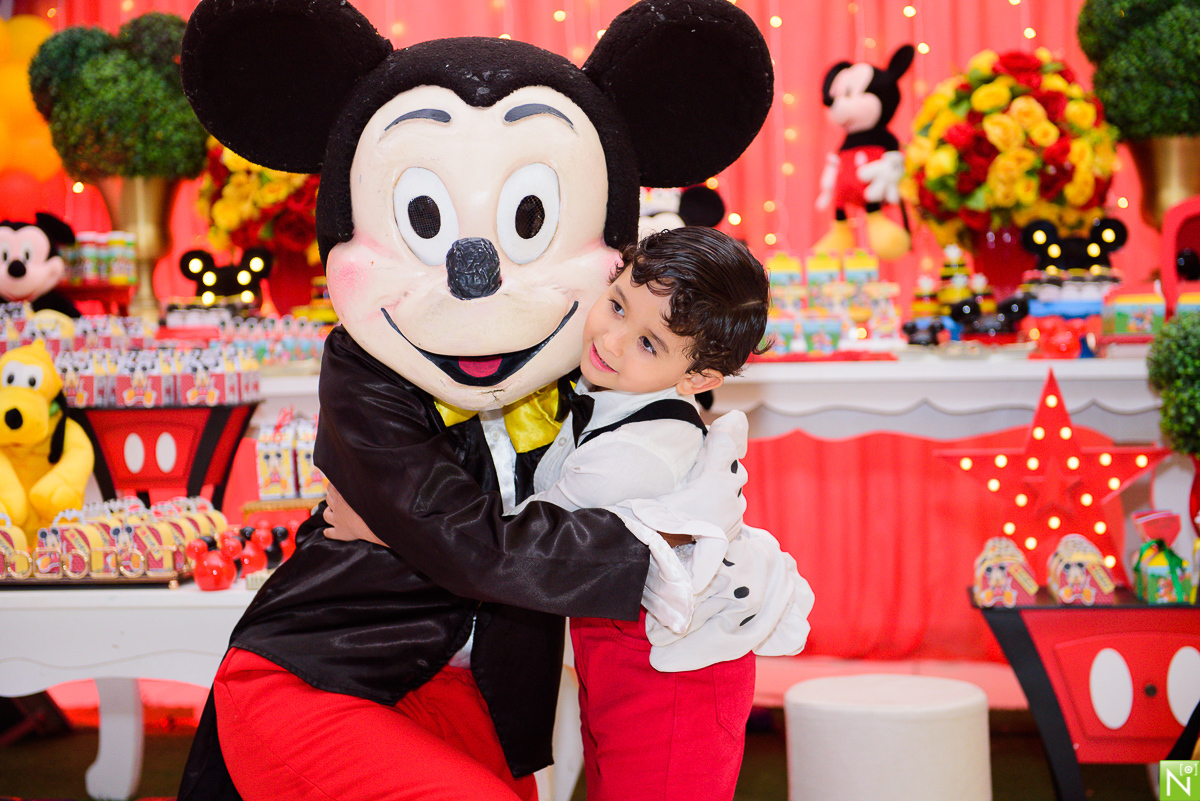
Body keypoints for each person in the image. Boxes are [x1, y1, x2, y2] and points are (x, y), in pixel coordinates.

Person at [328, 227, 814, 801]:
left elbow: (508, 552)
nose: (610, 340)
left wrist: (381, 528)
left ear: (700, 378)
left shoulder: (637, 455)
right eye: (616, 306)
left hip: (679, 670)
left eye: (649, 343)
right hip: (617, 647)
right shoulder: (613, 392)